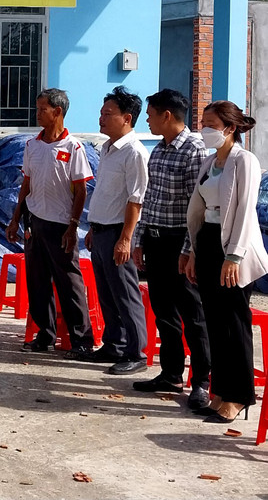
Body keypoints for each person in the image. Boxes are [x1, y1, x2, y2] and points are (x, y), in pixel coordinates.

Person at [184, 100, 268, 423]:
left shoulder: (244, 161)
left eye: (210, 124)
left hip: (233, 248)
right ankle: (219, 391)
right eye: (202, 122)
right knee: (214, 322)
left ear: (230, 128)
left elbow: (245, 211)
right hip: (207, 242)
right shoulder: (209, 163)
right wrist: (192, 252)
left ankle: (239, 396)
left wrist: (233, 256)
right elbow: (200, 209)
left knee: (234, 322)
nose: (204, 129)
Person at [131, 89, 211, 410]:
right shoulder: (159, 151)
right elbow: (149, 199)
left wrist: (190, 250)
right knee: (164, 310)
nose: (147, 120)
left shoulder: (195, 150)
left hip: (181, 241)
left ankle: (202, 381)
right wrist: (139, 240)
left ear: (167, 115)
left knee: (193, 314)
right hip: (155, 239)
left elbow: (200, 205)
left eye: (150, 114)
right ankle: (171, 373)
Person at [7, 88, 95, 358]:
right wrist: (16, 218)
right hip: (34, 222)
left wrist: (73, 225)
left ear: (57, 112)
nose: (38, 114)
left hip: (60, 226)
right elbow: (27, 183)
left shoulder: (73, 147)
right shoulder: (31, 146)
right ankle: (44, 335)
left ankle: (81, 340)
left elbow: (81, 190)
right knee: (37, 282)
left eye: (42, 109)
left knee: (69, 282)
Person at [82, 87, 149, 375]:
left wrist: (125, 239)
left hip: (118, 233)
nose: (101, 119)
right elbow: (106, 193)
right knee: (106, 291)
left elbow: (136, 199)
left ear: (127, 118)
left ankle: (137, 353)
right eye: (101, 113)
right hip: (101, 230)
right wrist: (92, 228)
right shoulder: (108, 149)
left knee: (125, 293)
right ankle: (113, 344)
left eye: (108, 114)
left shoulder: (134, 152)